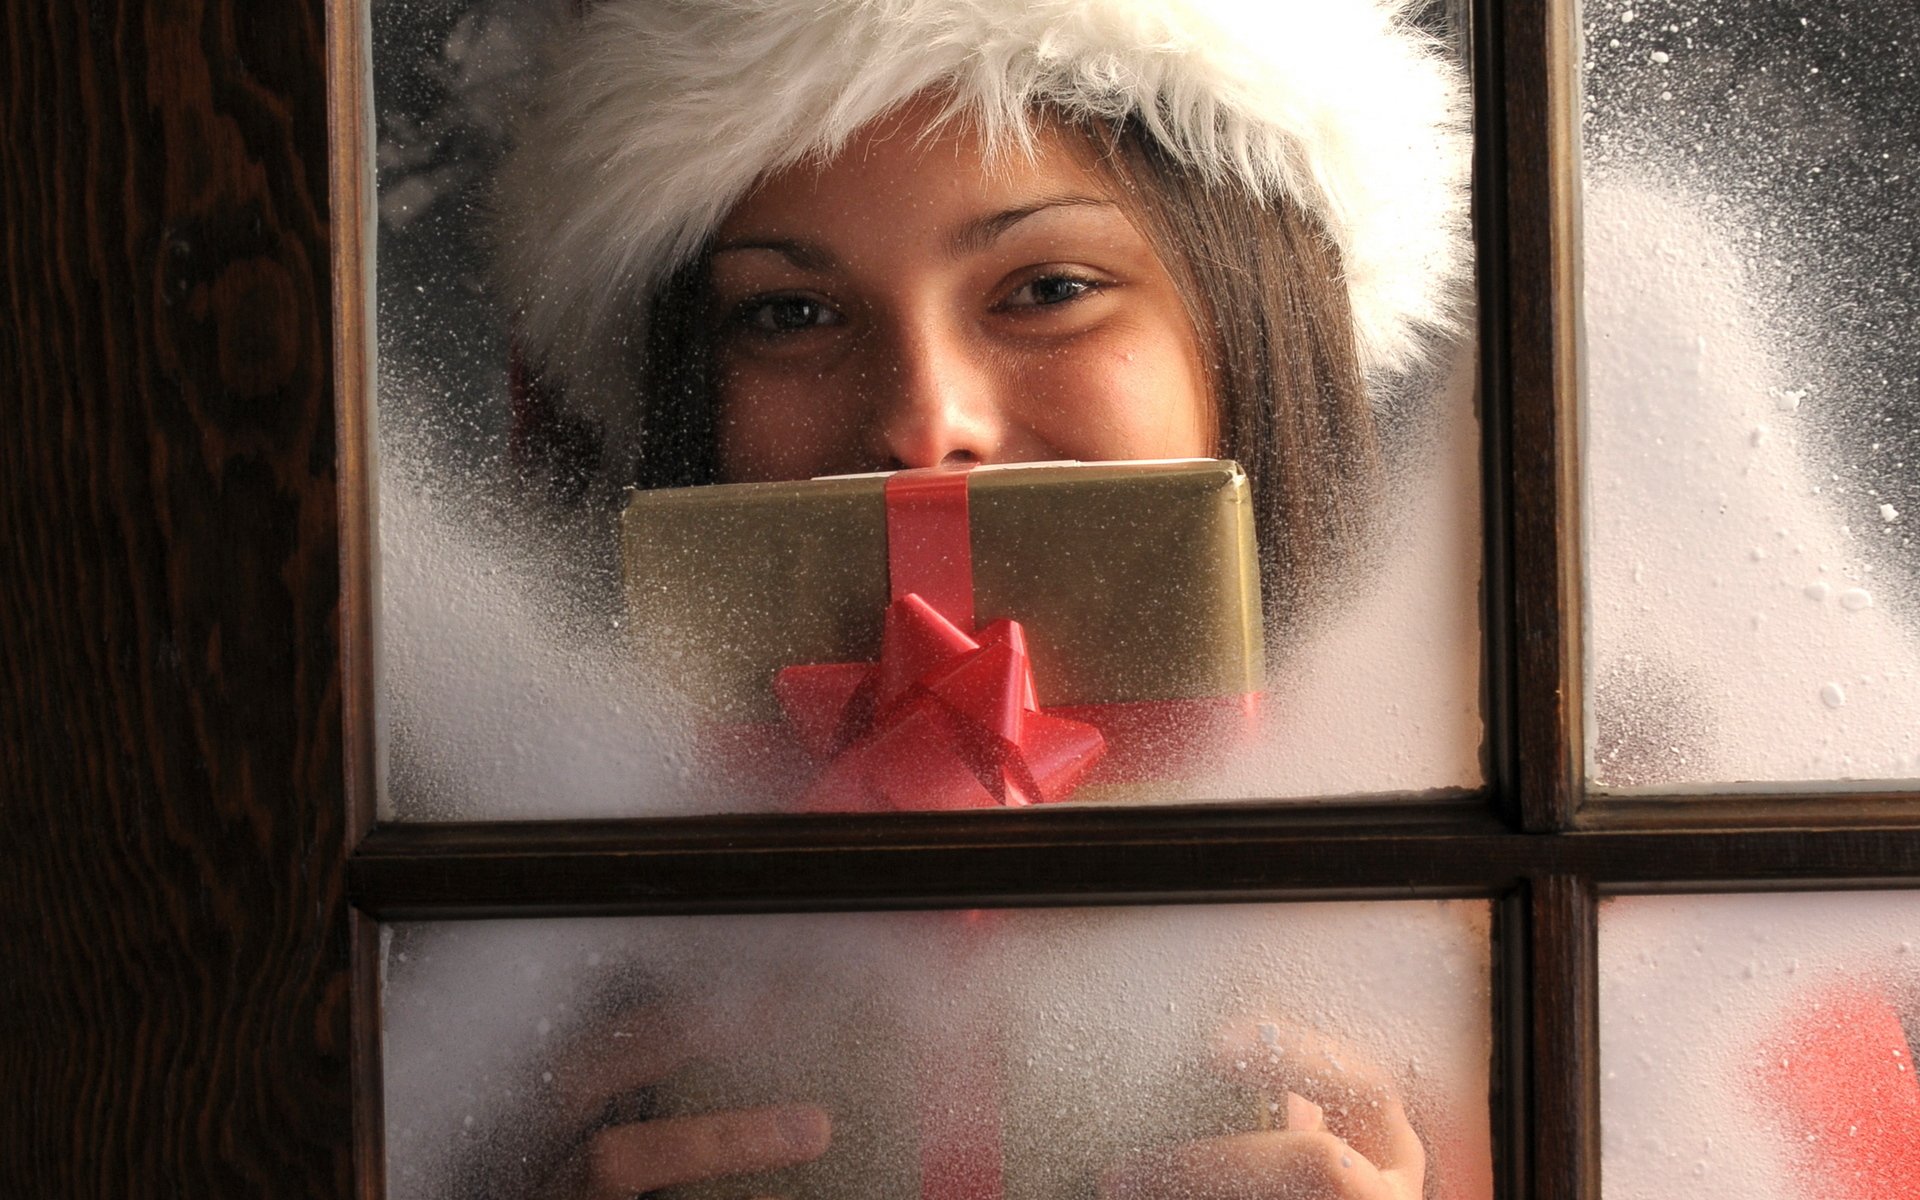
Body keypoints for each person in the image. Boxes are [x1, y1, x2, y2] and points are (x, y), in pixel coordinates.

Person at [488, 0, 1472, 1194]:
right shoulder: (498, 961)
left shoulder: (1517, 952)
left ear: (1253, 335)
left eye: (1049, 287)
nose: (926, 418)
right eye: (789, 313)